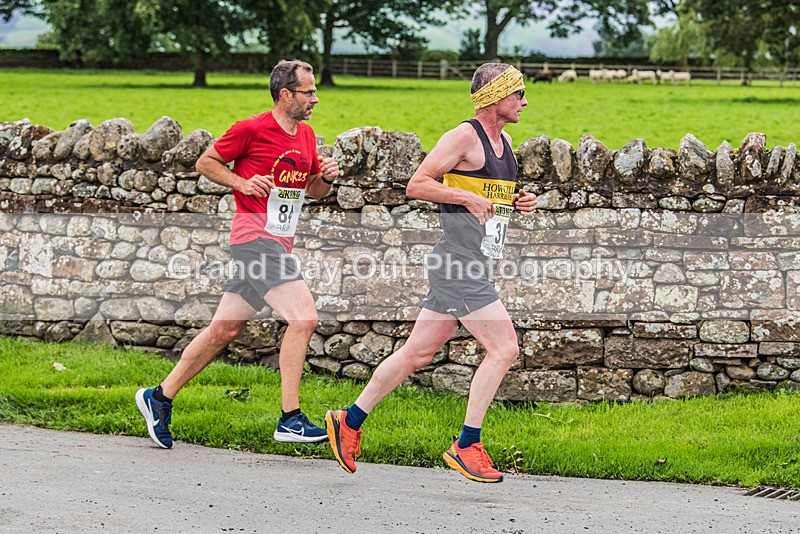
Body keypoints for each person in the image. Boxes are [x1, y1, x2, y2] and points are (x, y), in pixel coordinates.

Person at [325, 63, 536, 483]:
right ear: (496, 97)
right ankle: (466, 445)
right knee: (504, 348)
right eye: (519, 94)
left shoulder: (505, 141)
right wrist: (463, 198)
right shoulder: (463, 137)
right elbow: (417, 184)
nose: (525, 102)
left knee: (416, 354)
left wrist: (519, 201)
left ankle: (347, 421)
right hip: (457, 265)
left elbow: (489, 199)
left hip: (472, 262)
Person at [136, 59, 340, 448]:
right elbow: (206, 162)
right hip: (253, 239)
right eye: (308, 91)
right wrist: (242, 184)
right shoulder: (252, 128)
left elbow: (313, 191)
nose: (316, 97)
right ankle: (291, 418)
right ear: (285, 94)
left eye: (314, 90)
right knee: (304, 318)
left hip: (278, 241)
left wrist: (325, 178)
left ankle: (158, 397)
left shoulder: (307, 135)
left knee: (225, 330)